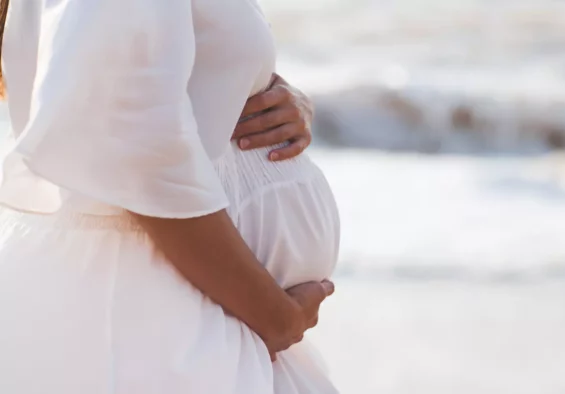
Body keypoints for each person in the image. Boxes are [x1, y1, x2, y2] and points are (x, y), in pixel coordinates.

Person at [0, 0, 340, 393]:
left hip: (191, 308)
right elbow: (130, 139)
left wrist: (277, 93)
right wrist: (273, 314)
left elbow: (133, 80)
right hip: (155, 313)